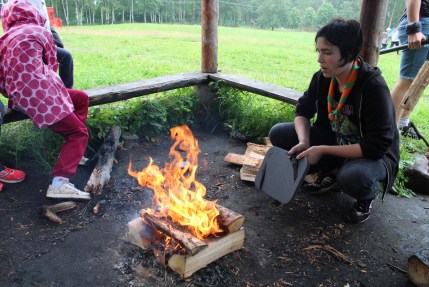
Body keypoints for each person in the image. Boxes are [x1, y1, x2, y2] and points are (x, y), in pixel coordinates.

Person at [268, 18, 400, 224]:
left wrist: (322, 150)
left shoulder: (372, 86)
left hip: (373, 156)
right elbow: (303, 109)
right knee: (279, 133)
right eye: (318, 51)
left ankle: (365, 197)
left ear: (348, 53)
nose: (320, 59)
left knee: (354, 177)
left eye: (327, 52)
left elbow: (377, 146)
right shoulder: (323, 77)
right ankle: (332, 171)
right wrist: (305, 141)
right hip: (337, 140)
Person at [0, 0, 90, 200]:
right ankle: (60, 183)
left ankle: (74, 152)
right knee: (79, 133)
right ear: (34, 12)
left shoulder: (3, 40)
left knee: (81, 98)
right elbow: (52, 66)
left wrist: (18, 92)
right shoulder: (41, 32)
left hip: (19, 100)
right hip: (42, 96)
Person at [391, 0, 429, 134]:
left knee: (421, 80)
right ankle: (385, 129)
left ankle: (402, 122)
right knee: (408, 79)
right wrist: (414, 27)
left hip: (424, 23)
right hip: (422, 23)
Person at [25, 0, 74, 88]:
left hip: (43, 39)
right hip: (30, 43)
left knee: (65, 56)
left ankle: (66, 92)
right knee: (65, 57)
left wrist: (57, 42)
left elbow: (46, 22)